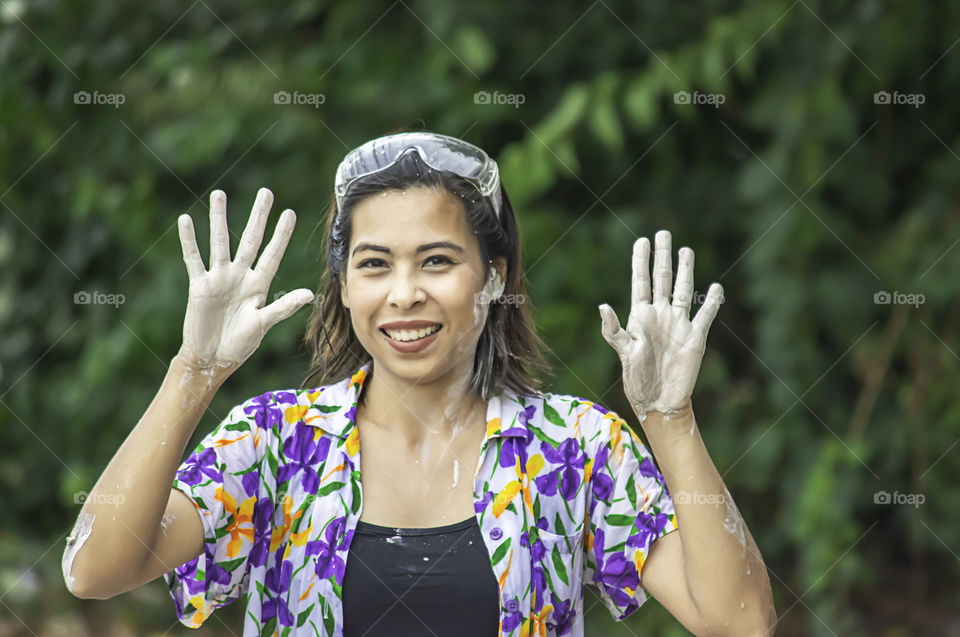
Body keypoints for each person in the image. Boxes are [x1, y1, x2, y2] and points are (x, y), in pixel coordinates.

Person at [62, 131, 776, 636]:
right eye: (374, 264)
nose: (403, 293)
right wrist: (193, 373)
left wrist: (669, 417)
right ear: (343, 284)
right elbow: (94, 569)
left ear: (493, 277)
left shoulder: (573, 446)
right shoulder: (277, 442)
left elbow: (738, 620)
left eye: (437, 260)